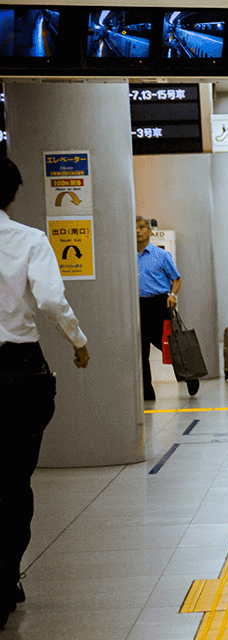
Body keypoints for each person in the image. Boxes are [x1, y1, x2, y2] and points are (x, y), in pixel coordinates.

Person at [0, 158, 90, 628]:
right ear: (12, 193)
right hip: (19, 373)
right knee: (15, 480)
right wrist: (78, 341)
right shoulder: (30, 239)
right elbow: (52, 300)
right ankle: (7, 573)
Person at [137, 217, 198, 399]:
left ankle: (190, 376)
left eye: (142, 228)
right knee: (141, 351)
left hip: (159, 304)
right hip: (137, 305)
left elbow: (176, 279)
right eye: (135, 228)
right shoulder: (127, 256)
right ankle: (147, 391)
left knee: (168, 345)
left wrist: (173, 295)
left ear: (150, 231)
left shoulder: (161, 255)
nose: (138, 231)